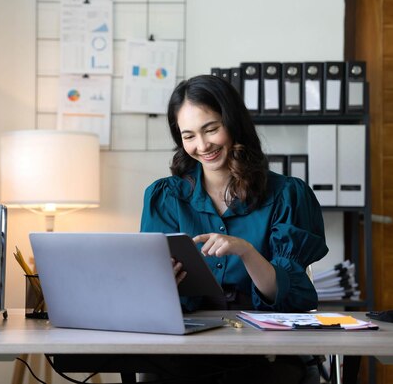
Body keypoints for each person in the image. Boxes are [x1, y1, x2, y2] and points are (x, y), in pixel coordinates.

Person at [139, 74, 328, 384]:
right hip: (183, 352)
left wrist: (246, 251)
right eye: (188, 136)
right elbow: (151, 293)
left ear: (234, 123)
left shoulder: (288, 195)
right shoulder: (165, 197)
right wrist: (161, 285)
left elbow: (289, 299)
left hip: (265, 353)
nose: (202, 146)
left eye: (211, 129)